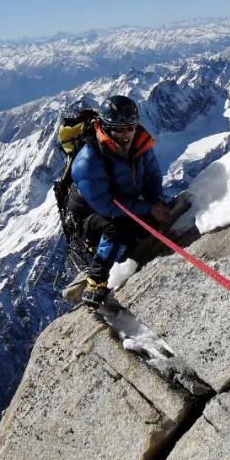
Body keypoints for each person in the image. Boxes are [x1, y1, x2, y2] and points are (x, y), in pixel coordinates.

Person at [65, 95, 171, 305]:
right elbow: (106, 205)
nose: (126, 135)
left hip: (122, 203)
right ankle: (96, 281)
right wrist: (149, 208)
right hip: (90, 214)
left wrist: (157, 203)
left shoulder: (141, 144)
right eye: (118, 129)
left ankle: (127, 254)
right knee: (116, 230)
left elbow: (152, 176)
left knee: (149, 222)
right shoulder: (87, 161)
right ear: (104, 127)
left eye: (129, 128)